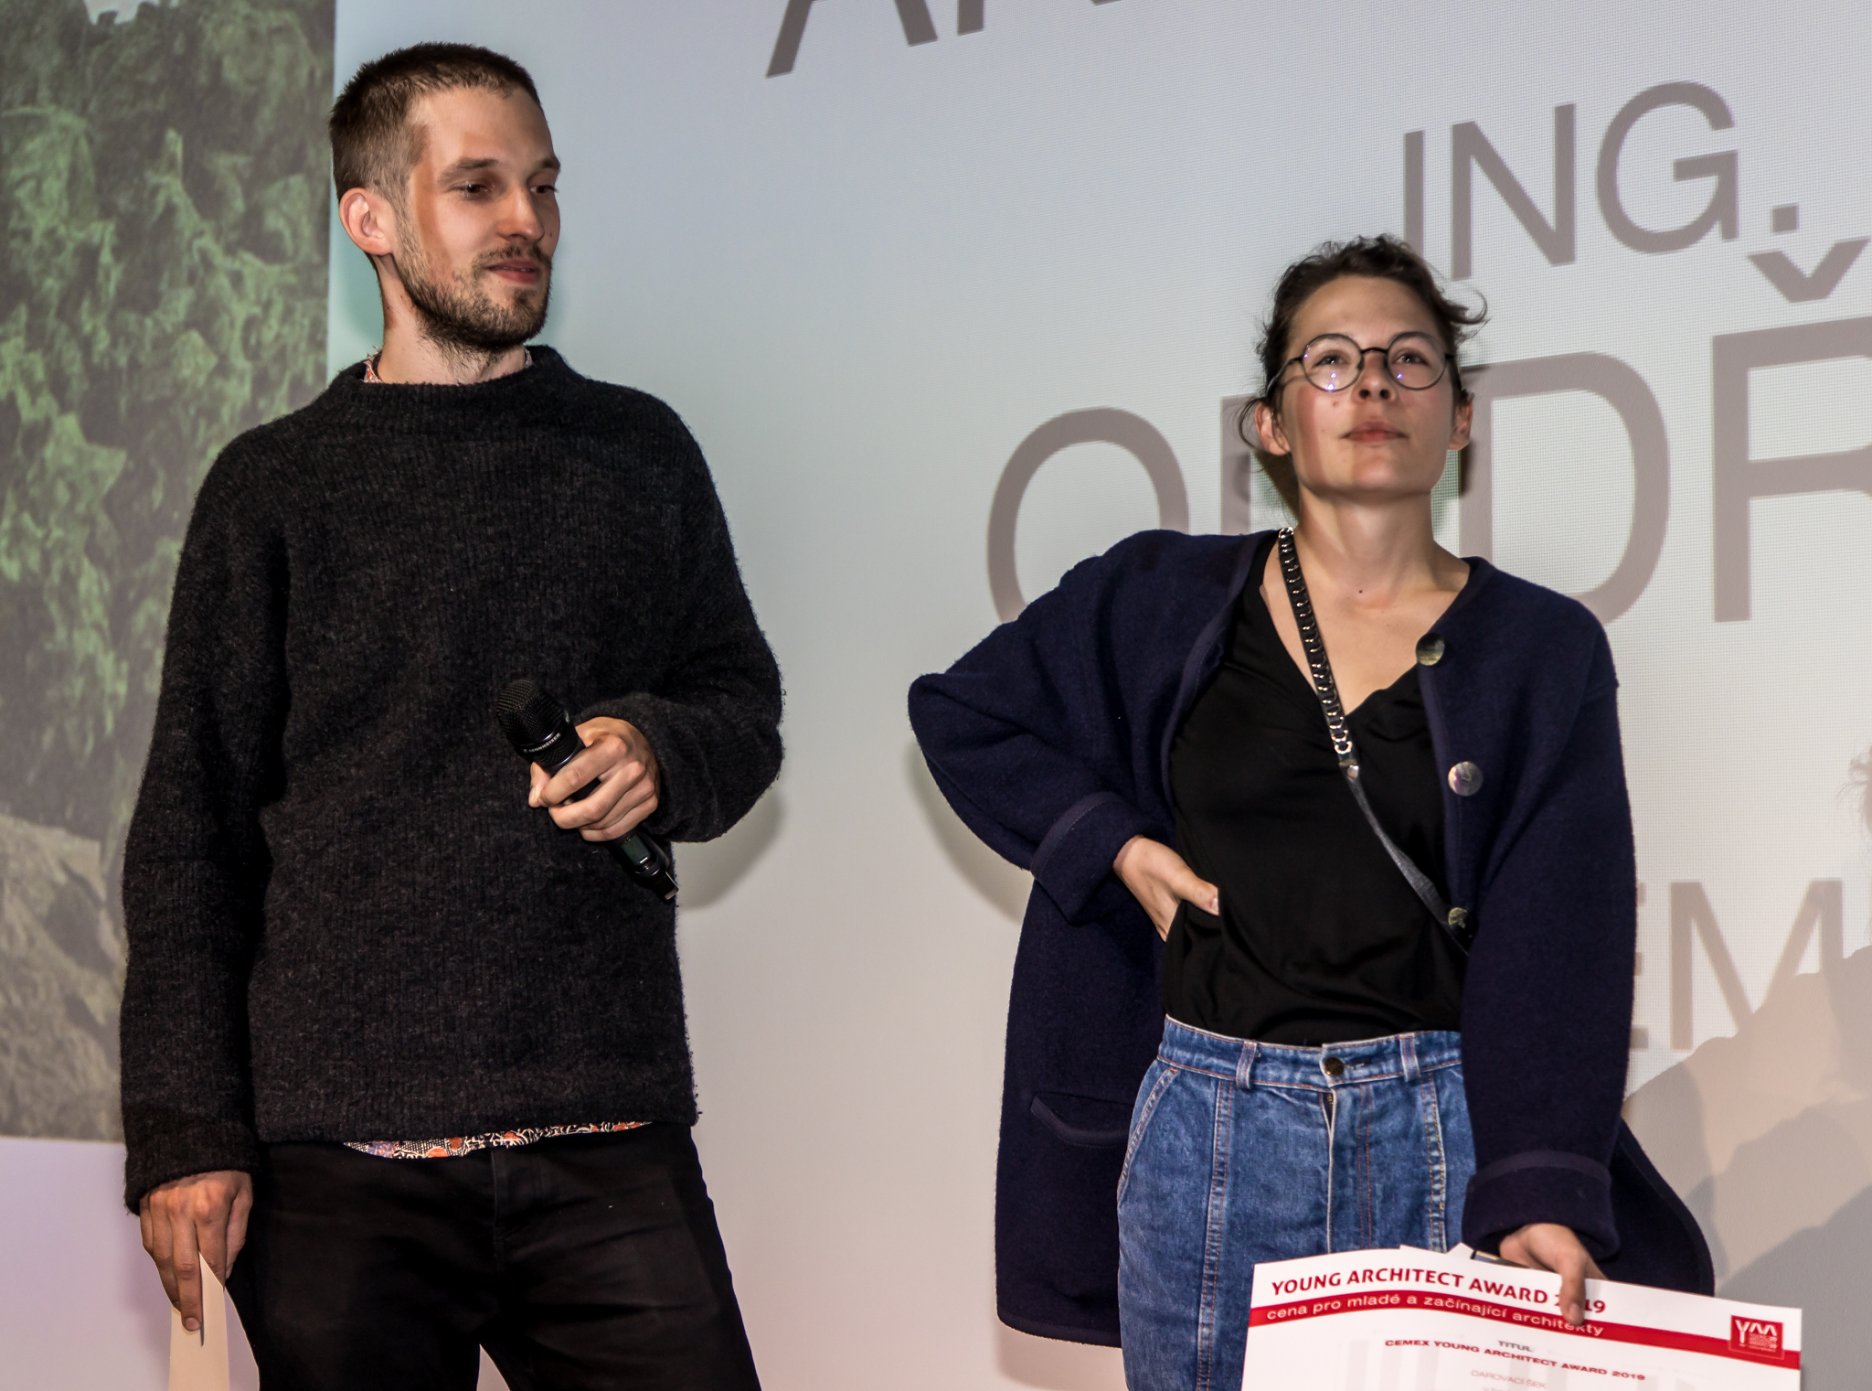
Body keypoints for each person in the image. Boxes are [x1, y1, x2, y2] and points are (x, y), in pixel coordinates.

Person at [908, 236, 1710, 1390]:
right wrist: (1111, 843)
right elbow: (966, 712)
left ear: (1461, 418)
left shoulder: (1540, 648)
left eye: (1409, 359)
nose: (1373, 383)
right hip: (1210, 1124)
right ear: (1271, 423)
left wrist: (1539, 1187)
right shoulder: (1158, 593)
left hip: (1444, 1122)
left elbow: (1563, 935)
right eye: (1330, 361)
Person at [119, 43, 780, 1390]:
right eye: (478, 186)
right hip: (337, 1169)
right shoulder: (273, 487)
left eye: (542, 184)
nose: (526, 218)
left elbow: (739, 702)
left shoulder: (637, 451)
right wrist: (185, 1130)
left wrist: (658, 747)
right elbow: (192, 831)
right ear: (371, 217)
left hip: (605, 1132)